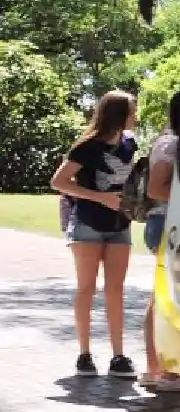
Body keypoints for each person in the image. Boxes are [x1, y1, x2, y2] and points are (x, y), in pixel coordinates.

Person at [50, 90, 140, 378]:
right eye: (132, 111)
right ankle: (84, 355)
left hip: (120, 226)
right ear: (119, 114)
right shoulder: (87, 146)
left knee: (115, 291)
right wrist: (99, 198)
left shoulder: (130, 144)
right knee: (86, 289)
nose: (136, 116)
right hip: (87, 223)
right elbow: (59, 182)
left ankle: (118, 356)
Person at [140, 92, 180, 390]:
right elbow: (156, 190)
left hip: (177, 223)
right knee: (162, 297)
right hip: (165, 223)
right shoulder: (171, 143)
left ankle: (161, 368)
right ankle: (159, 369)